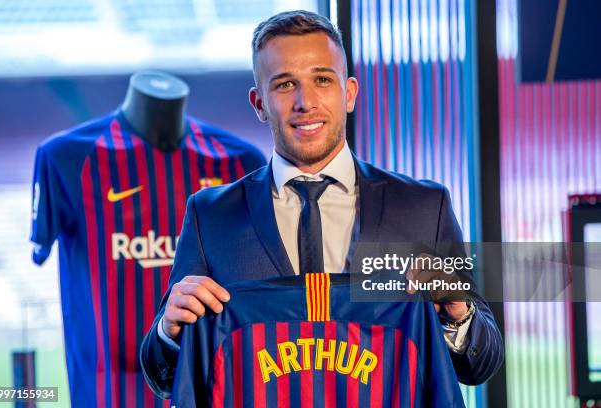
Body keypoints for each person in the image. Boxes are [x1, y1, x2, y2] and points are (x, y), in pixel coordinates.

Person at [140, 10, 504, 399]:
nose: (305, 101)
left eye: (322, 80)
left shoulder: (423, 206)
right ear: (259, 103)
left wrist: (458, 316)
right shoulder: (210, 215)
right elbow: (163, 376)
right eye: (284, 84)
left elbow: (479, 364)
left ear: (348, 93)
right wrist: (170, 330)